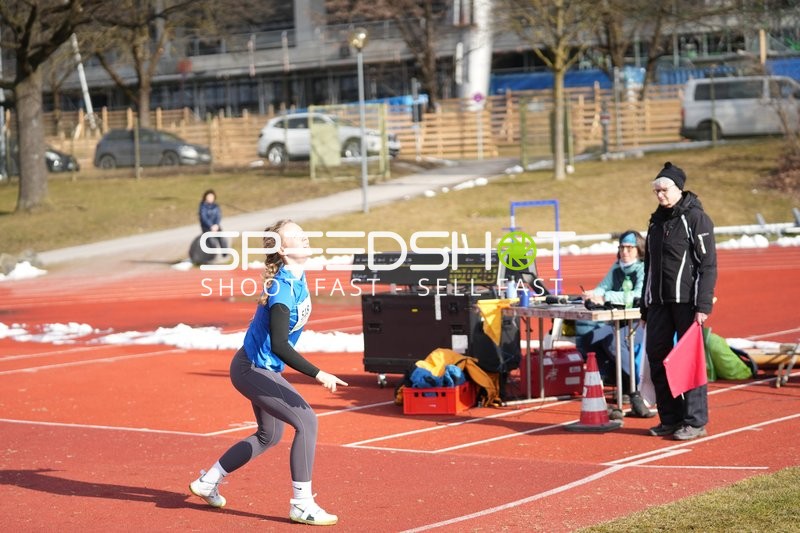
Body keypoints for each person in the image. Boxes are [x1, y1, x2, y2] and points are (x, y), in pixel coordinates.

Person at [189, 219, 348, 526]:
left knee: (269, 435)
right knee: (308, 422)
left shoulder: (295, 279)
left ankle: (208, 481)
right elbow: (279, 345)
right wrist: (319, 373)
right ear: (283, 250)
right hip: (252, 368)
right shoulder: (284, 289)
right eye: (296, 237)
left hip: (258, 367)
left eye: (303, 232)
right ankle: (302, 504)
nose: (304, 238)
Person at [641, 162, 717, 441]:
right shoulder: (656, 221)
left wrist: (703, 306)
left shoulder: (696, 218)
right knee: (657, 357)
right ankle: (670, 419)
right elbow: (649, 266)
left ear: (678, 188)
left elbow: (708, 265)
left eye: (664, 189)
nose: (660, 195)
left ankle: (695, 421)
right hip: (659, 303)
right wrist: (644, 306)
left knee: (688, 362)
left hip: (687, 302)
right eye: (656, 190)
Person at [576, 230, 653, 418]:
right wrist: (591, 294)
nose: (625, 251)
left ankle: (635, 389)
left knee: (615, 341)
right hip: (616, 321)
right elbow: (603, 286)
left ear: (639, 249)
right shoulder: (617, 267)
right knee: (588, 339)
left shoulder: (644, 268)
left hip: (639, 323)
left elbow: (637, 294)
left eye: (629, 247)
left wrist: (605, 297)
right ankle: (603, 383)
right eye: (622, 247)